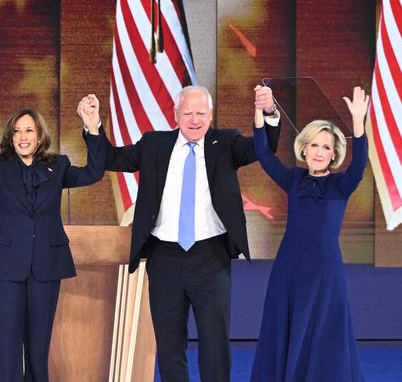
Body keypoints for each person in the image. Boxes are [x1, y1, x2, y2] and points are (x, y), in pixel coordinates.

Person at [78, 86, 281, 382]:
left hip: (211, 258)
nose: (195, 120)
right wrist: (93, 124)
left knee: (214, 345)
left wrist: (269, 113)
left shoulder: (226, 143)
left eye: (201, 113)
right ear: (176, 115)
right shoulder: (154, 144)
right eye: (188, 113)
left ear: (210, 115)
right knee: (170, 345)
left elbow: (264, 149)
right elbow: (113, 159)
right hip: (164, 259)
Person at [0, 99, 105, 382]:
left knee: (39, 347)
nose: (23, 137)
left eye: (29, 131)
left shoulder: (58, 165)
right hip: (5, 268)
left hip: (46, 266)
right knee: (6, 345)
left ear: (39, 136)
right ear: (10, 136)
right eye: (17, 131)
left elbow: (93, 173)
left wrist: (92, 126)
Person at [250, 86, 368, 382]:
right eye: (314, 145)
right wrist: (258, 113)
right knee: (286, 328)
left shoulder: (341, 185)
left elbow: (360, 164)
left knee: (324, 332)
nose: (319, 152)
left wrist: (358, 123)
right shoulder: (294, 179)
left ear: (334, 154)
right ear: (304, 148)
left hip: (325, 273)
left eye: (326, 147)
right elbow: (263, 155)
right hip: (289, 269)